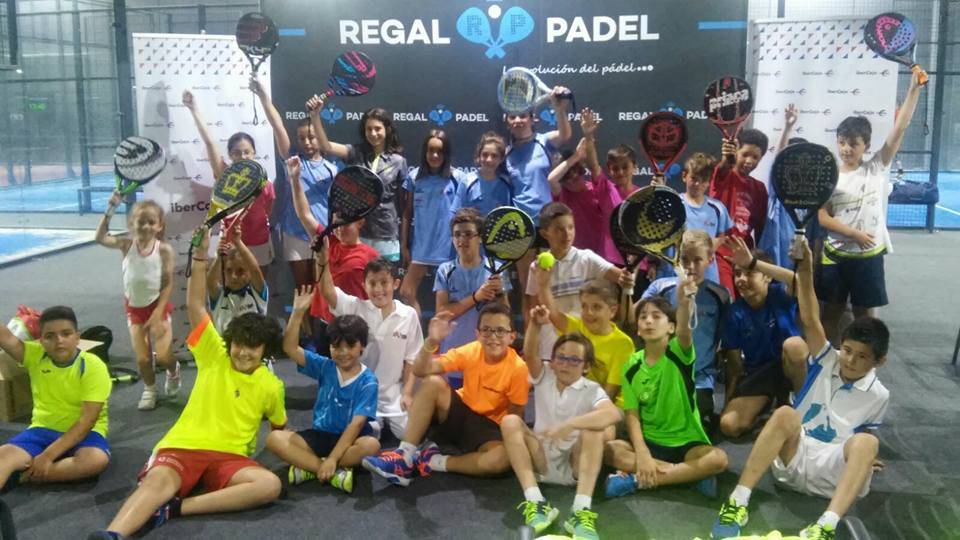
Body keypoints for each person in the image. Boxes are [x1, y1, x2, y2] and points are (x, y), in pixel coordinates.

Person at [88, 229, 287, 540]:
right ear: (230, 342)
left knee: (269, 485)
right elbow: (196, 306)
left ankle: (175, 508)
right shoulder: (214, 356)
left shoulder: (272, 385)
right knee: (156, 483)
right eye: (238, 344)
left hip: (231, 458)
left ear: (265, 351)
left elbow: (279, 430)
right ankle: (112, 534)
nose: (243, 352)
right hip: (183, 447)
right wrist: (200, 256)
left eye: (253, 347)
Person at [710, 238, 889, 540]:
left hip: (833, 475)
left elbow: (865, 434)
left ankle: (826, 525)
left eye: (862, 357)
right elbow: (809, 314)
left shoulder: (880, 395)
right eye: (847, 350)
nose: (850, 360)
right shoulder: (825, 359)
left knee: (867, 443)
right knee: (784, 414)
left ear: (879, 362)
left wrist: (863, 456)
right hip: (794, 462)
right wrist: (804, 266)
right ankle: (737, 502)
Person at [362, 304, 529, 486]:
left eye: (500, 331)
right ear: (477, 334)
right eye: (486, 330)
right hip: (461, 413)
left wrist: (506, 447)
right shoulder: (471, 350)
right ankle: (404, 457)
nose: (493, 337)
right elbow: (420, 370)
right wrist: (431, 342)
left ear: (512, 336)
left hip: (490, 428)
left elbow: (515, 416)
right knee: (432, 382)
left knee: (501, 459)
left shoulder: (518, 368)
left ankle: (433, 462)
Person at [817, 71, 923, 344]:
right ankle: (825, 362)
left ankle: (866, 361)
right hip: (835, 256)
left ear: (866, 146)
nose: (846, 149)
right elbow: (821, 216)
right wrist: (853, 233)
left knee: (865, 318)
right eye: (842, 142)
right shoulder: (830, 176)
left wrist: (914, 89)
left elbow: (900, 128)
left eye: (853, 144)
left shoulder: (875, 167)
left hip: (868, 256)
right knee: (831, 314)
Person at [504, 310, 620, 540]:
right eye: (561, 357)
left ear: (586, 366)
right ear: (553, 360)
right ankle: (536, 502)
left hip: (573, 464)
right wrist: (535, 324)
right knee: (510, 421)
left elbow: (613, 414)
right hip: (540, 459)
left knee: (594, 430)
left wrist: (571, 425)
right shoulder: (544, 375)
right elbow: (530, 352)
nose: (565, 364)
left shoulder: (592, 389)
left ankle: (580, 511)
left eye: (574, 360)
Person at [604, 290, 728, 499]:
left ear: (671, 327)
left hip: (687, 442)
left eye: (656, 316)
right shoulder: (631, 364)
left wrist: (683, 302)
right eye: (643, 317)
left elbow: (685, 330)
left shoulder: (679, 353)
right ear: (639, 330)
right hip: (650, 441)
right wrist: (642, 453)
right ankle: (688, 475)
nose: (648, 321)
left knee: (718, 459)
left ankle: (637, 480)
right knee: (609, 450)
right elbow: (632, 414)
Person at [268, 287, 380, 494]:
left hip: (350, 440)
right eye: (336, 346)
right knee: (274, 439)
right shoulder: (325, 366)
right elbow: (290, 348)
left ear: (362, 347)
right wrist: (297, 313)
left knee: (371, 446)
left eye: (350, 346)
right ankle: (328, 471)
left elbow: (356, 425)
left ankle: (310, 466)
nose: (343, 352)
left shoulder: (368, 381)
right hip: (320, 435)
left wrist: (333, 458)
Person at [315, 239, 422, 440]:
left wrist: (407, 393)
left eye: (384, 282)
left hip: (395, 394)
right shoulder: (356, 307)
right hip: (362, 394)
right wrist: (322, 261)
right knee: (367, 438)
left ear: (395, 284)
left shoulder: (408, 315)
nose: (378, 289)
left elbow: (412, 360)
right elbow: (328, 291)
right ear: (364, 285)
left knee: (410, 435)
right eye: (372, 283)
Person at [0, 306, 111, 489]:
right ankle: (38, 470)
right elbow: (6, 338)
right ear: (41, 341)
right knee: (4, 455)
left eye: (66, 334)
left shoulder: (93, 366)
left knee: (95, 460)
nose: (59, 341)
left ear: (77, 337)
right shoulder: (34, 355)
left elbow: (87, 421)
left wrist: (47, 456)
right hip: (42, 429)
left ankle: (26, 475)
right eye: (50, 336)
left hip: (86, 433)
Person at [254, 75, 341, 289]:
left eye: (312, 137)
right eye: (302, 138)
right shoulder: (292, 160)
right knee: (303, 290)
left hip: (322, 232)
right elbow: (277, 125)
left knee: (324, 289)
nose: (307, 142)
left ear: (320, 137)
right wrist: (263, 96)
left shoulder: (333, 168)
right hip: (294, 233)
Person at [286, 155, 379, 352]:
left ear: (360, 222)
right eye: (337, 222)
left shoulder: (371, 256)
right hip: (322, 324)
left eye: (346, 223)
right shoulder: (327, 241)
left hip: (352, 329)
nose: (340, 227)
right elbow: (304, 214)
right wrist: (295, 179)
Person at [640, 230, 729, 432]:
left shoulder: (720, 295)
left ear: (710, 259)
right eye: (685, 259)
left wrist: (728, 402)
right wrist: (627, 289)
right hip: (662, 373)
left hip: (700, 379)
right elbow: (634, 318)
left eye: (697, 260)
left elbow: (724, 342)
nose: (690, 266)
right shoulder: (660, 288)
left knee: (690, 424)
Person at [95, 196, 179, 411]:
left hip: (158, 308)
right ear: (131, 223)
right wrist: (111, 207)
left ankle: (173, 371)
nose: (146, 226)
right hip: (134, 311)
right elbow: (100, 238)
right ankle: (150, 389)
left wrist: (158, 312)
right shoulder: (126, 245)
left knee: (163, 356)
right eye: (141, 221)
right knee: (142, 359)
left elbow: (168, 283)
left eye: (151, 222)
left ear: (159, 225)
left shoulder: (164, 250)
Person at [717, 237, 803, 439]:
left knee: (794, 345)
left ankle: (804, 407)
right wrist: (728, 402)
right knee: (729, 425)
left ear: (767, 277)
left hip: (791, 369)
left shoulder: (780, 295)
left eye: (749, 273)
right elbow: (734, 365)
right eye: (737, 273)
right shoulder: (734, 313)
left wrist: (755, 263)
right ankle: (770, 410)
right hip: (760, 373)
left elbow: (797, 280)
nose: (741, 279)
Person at [183, 89, 275, 274]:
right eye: (237, 153)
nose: (242, 156)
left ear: (254, 153)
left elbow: (268, 210)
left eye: (247, 152)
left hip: (259, 241)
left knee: (259, 286)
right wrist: (193, 109)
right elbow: (210, 143)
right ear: (230, 155)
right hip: (230, 242)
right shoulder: (224, 174)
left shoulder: (266, 184)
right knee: (230, 286)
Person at [307, 96, 408, 261]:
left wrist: (404, 242)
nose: (373, 133)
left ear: (387, 129)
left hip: (386, 234)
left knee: (384, 277)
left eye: (377, 128)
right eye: (369, 129)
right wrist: (315, 116)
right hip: (357, 233)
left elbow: (403, 206)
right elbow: (326, 147)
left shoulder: (399, 162)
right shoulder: (355, 152)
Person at [524, 202, 628, 359]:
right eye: (559, 229)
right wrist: (531, 343)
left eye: (571, 227)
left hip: (584, 345)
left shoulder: (587, 258)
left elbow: (621, 278)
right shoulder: (536, 267)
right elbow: (532, 309)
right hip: (550, 348)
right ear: (545, 233)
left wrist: (628, 276)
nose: (567, 234)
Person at [503, 86, 573, 294]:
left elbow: (565, 134)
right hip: (521, 225)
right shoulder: (505, 154)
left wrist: (559, 109)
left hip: (547, 222)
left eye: (523, 116)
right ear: (507, 121)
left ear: (532, 119)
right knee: (527, 286)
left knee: (552, 282)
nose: (518, 120)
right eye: (513, 117)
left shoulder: (544, 141)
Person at [535, 271, 633, 403]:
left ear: (613, 311)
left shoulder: (623, 344)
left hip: (612, 406)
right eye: (584, 306)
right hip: (582, 401)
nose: (589, 313)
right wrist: (543, 285)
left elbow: (610, 392)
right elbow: (553, 313)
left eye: (597, 307)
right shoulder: (578, 326)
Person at [399, 129, 464, 314]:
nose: (435, 156)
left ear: (446, 153)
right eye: (431, 150)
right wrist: (404, 245)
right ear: (425, 152)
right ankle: (417, 331)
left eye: (440, 151)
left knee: (447, 301)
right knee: (406, 293)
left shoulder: (458, 178)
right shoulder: (414, 177)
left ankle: (443, 334)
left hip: (448, 249)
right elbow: (407, 214)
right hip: (422, 247)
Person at [547, 108, 622, 265]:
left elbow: (594, 166)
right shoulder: (561, 195)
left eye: (576, 172)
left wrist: (588, 135)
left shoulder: (596, 187)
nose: (573, 178)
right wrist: (576, 157)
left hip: (602, 257)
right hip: (574, 258)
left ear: (581, 170)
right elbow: (552, 179)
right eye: (567, 176)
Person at [434, 207, 510, 354]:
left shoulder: (497, 270)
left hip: (486, 356)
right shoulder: (444, 270)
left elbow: (506, 317)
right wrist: (476, 297)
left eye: (468, 234)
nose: (462, 240)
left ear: (480, 238)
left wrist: (500, 294)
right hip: (452, 354)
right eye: (457, 235)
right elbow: (441, 314)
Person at [652, 153, 733, 283]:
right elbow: (657, 234)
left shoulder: (718, 208)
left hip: (707, 278)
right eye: (694, 178)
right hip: (673, 275)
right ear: (684, 176)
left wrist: (706, 247)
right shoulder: (671, 203)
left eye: (703, 180)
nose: (697, 184)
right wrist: (659, 194)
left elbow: (721, 237)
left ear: (709, 182)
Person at [709, 128, 770, 296]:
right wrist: (726, 159)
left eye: (755, 157)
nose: (749, 161)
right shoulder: (724, 175)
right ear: (736, 151)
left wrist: (758, 260)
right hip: (721, 254)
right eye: (745, 154)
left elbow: (761, 228)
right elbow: (722, 168)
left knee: (748, 300)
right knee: (727, 298)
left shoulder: (760, 188)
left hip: (745, 256)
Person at [207, 221, 268, 336]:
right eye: (229, 271)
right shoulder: (219, 295)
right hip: (225, 347)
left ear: (249, 273)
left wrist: (238, 242)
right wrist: (219, 258)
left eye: (240, 271)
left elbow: (255, 270)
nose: (234, 276)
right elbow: (210, 282)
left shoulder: (257, 294)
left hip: (252, 346)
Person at [459, 131, 513, 216]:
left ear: (501, 159)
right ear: (479, 156)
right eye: (485, 155)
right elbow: (457, 214)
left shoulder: (507, 184)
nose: (489, 160)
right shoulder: (467, 181)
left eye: (494, 156)